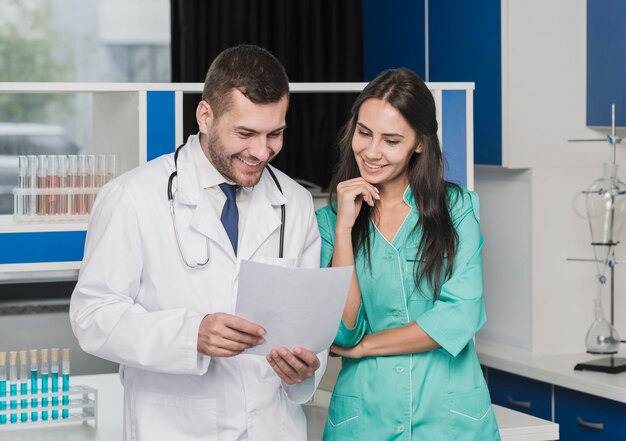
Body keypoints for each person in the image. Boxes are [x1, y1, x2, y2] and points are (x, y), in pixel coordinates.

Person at [70, 44, 327, 441]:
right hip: (174, 427)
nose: (262, 151)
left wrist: (305, 369)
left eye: (274, 133)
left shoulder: (293, 202)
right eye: (246, 133)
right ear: (205, 116)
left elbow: (310, 323)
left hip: (270, 427)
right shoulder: (134, 197)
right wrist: (191, 335)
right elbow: (93, 316)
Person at [316, 68, 500, 440]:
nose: (371, 151)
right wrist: (344, 230)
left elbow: (460, 314)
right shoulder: (330, 221)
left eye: (391, 140)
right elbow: (342, 333)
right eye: (364, 133)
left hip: (448, 416)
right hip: (367, 416)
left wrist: (368, 346)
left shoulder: (458, 208)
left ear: (419, 143)